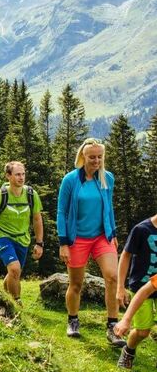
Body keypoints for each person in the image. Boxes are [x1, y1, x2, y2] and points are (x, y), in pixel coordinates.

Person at [57, 137, 125, 345]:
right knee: (76, 283)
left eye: (100, 157)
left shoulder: (107, 179)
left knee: (112, 277)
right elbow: (62, 211)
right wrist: (64, 243)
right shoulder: (70, 180)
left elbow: (109, 207)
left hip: (102, 237)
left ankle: (112, 327)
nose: (96, 161)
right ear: (83, 157)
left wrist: (112, 233)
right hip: (77, 238)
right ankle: (73, 320)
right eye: (92, 157)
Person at [0, 161, 43, 304]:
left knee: (14, 273)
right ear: (8, 176)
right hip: (2, 236)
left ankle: (3, 296)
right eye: (17, 174)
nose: (21, 177)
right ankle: (17, 303)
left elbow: (37, 219)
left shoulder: (31, 194)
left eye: (23, 174)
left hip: (23, 239)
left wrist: (39, 243)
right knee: (15, 269)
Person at [113, 213, 157, 368]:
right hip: (141, 286)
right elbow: (125, 256)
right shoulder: (141, 229)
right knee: (143, 332)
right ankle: (128, 351)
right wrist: (120, 287)